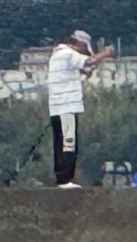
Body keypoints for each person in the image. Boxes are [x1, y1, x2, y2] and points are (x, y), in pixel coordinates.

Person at [46, 28, 113, 187]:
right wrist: (105, 53)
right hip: (66, 106)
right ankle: (65, 179)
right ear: (79, 44)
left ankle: (62, 178)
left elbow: (86, 69)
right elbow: (88, 62)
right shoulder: (67, 54)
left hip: (58, 107)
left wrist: (93, 65)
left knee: (60, 142)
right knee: (68, 143)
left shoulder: (58, 56)